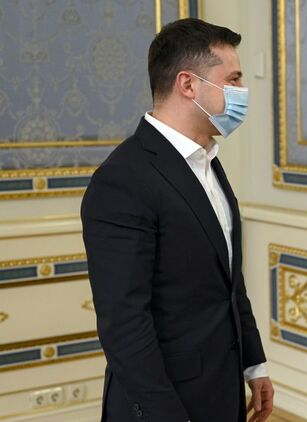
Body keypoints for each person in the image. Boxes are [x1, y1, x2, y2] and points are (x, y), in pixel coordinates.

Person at [81, 18, 273, 422]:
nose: (242, 91)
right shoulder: (122, 179)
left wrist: (254, 365)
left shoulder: (208, 161)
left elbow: (228, 281)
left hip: (221, 392)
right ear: (188, 84)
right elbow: (124, 324)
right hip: (165, 406)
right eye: (233, 79)